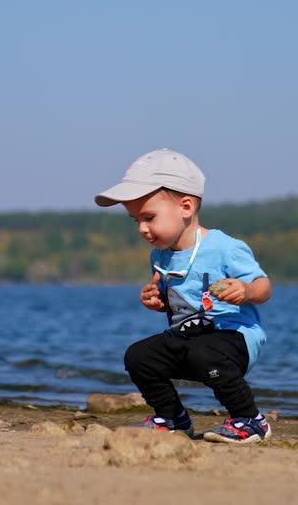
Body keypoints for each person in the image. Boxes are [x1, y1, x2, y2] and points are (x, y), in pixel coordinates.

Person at [95, 148, 273, 443]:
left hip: (234, 338)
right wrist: (156, 300)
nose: (142, 228)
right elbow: (175, 302)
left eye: (149, 217)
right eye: (135, 219)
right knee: (139, 356)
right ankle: (172, 417)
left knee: (203, 351)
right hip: (188, 338)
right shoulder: (160, 255)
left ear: (186, 207)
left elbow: (264, 287)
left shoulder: (224, 247)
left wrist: (246, 290)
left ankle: (250, 419)